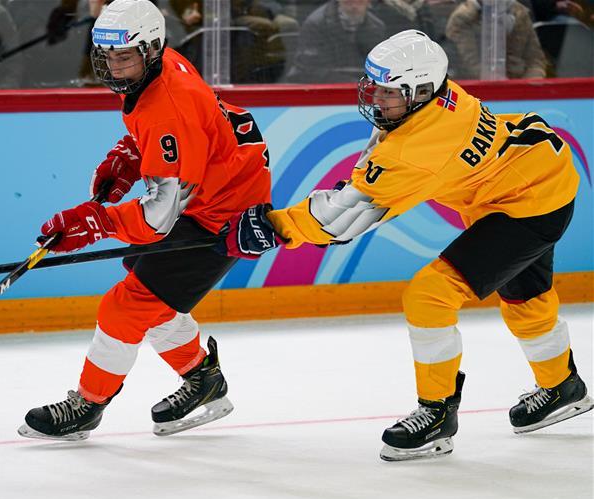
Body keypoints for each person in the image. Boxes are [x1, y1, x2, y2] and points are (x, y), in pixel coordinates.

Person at [224, 29, 592, 461]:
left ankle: (436, 413)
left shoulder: (420, 147)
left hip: (525, 204)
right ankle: (561, 387)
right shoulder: (435, 99)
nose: (376, 98)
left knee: (428, 296)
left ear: (419, 91)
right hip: (534, 177)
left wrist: (274, 227)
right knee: (526, 297)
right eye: (374, 86)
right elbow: (373, 171)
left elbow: (346, 218)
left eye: (388, 91)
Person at [17, 0, 272, 441]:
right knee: (148, 287)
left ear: (151, 49)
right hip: (215, 180)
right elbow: (183, 128)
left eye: (124, 57)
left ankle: (88, 405)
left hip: (222, 212)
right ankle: (203, 379)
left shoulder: (168, 104)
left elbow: (158, 217)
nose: (115, 67)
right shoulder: (159, 64)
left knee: (127, 305)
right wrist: (131, 153)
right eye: (107, 57)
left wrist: (94, 222)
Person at [445, 0, 547, 79]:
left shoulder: (520, 12)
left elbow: (535, 59)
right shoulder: (462, 18)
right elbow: (469, 65)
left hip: (520, 86)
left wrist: (532, 82)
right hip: (479, 90)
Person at [289, 0, 387, 83]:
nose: (354, 5)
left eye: (359, 0)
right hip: (326, 90)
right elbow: (309, 69)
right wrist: (352, 83)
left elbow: (379, 68)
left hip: (363, 90)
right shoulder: (316, 24)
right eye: (349, 1)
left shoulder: (377, 27)